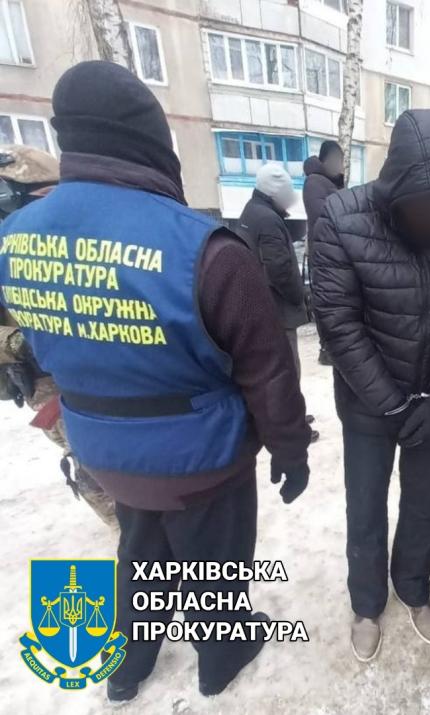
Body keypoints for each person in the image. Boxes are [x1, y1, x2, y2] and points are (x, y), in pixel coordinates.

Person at [0, 62, 312, 702]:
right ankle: (220, 657)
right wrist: (290, 448)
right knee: (211, 564)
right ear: (150, 139)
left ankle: (125, 667)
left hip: (101, 447)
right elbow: (267, 371)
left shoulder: (16, 237)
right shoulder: (207, 249)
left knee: (140, 552)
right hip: (200, 458)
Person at [311, 109, 430, 662]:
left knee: (421, 503)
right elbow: (337, 322)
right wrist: (389, 403)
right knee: (365, 505)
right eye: (426, 206)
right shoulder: (341, 218)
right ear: (398, 188)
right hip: (368, 403)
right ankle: (366, 603)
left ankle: (414, 588)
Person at [0, 145, 116, 527]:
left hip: (98, 372)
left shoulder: (75, 239)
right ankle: (126, 532)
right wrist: (19, 342)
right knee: (90, 464)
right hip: (46, 380)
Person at [239, 163, 318, 442]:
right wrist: (299, 296)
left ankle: (291, 417)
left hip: (262, 305)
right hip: (278, 310)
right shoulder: (268, 219)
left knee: (276, 370)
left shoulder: (251, 211)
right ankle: (293, 427)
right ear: (275, 192)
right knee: (287, 370)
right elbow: (280, 268)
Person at [303, 140, 344, 367]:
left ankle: (332, 347)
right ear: (324, 160)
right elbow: (323, 216)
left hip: (334, 253)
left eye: (342, 161)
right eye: (336, 160)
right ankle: (327, 348)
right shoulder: (314, 182)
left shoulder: (331, 183)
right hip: (324, 254)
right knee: (327, 301)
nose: (339, 165)